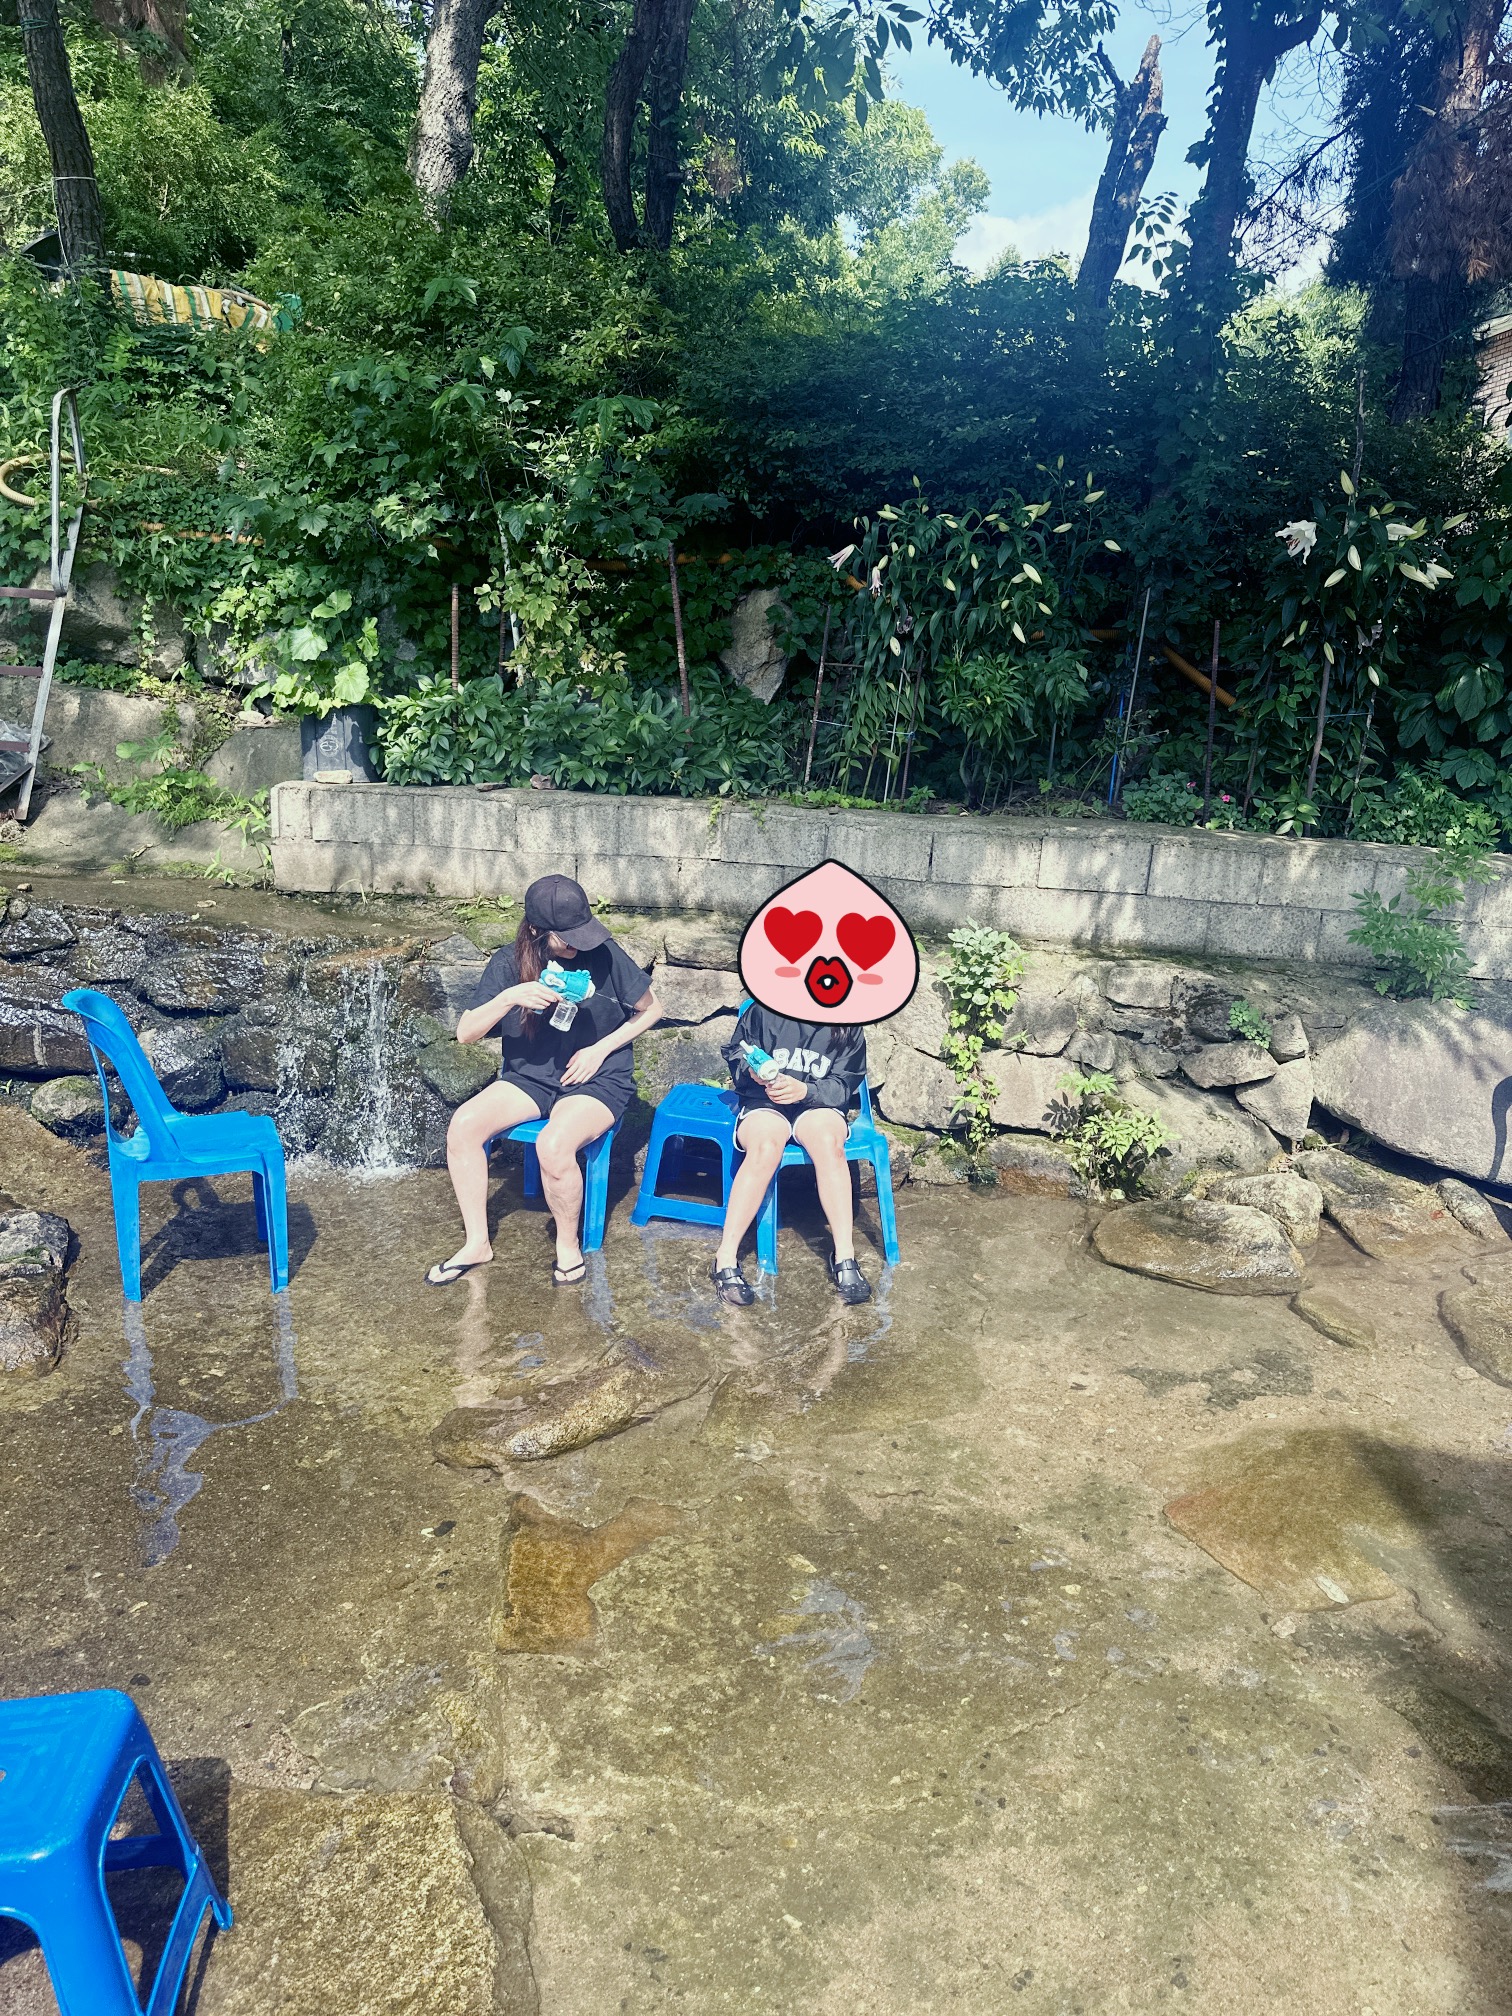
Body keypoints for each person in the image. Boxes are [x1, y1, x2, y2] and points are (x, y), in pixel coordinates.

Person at [425, 875, 661, 1288]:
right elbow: (466, 1033)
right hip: (530, 1076)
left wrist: (599, 1049)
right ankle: (477, 1243)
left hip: (596, 1078)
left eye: (582, 933)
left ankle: (567, 1246)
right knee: (463, 1126)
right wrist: (509, 997)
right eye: (567, 938)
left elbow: (652, 1009)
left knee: (554, 1144)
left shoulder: (604, 953)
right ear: (535, 929)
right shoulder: (509, 962)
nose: (578, 945)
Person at [711, 1000, 871, 1307]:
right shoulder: (763, 1010)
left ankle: (845, 1256)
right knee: (765, 1147)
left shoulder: (847, 1023)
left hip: (818, 1105)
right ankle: (725, 1258)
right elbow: (737, 1053)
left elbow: (845, 1083)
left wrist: (806, 1091)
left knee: (829, 1144)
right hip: (764, 1102)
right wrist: (753, 1072)